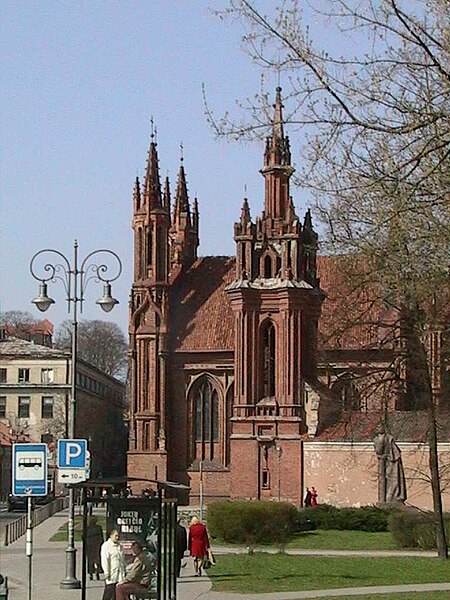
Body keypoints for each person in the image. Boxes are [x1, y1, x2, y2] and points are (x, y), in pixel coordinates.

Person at [100, 529, 126, 600]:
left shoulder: (119, 546)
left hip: (119, 573)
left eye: (118, 536)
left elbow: (122, 559)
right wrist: (106, 572)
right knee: (109, 591)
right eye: (116, 536)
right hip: (111, 573)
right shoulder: (106, 546)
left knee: (116, 593)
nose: (117, 537)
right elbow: (105, 560)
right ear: (111, 536)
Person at [84, 515, 104, 580]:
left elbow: (83, 537)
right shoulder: (99, 527)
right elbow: (101, 537)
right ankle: (96, 570)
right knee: (97, 560)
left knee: (90, 560)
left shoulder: (87, 528)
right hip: (97, 545)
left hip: (89, 545)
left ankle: (90, 573)